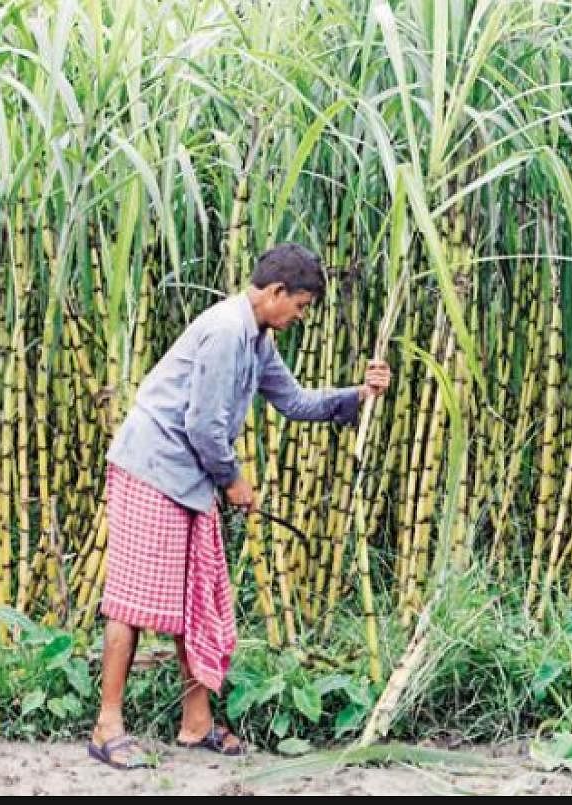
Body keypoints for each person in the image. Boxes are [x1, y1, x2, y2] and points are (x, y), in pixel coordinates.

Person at [86, 242, 392, 769]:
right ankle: (106, 726)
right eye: (299, 306)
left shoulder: (257, 338)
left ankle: (196, 721)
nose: (300, 317)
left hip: (187, 477)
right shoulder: (228, 331)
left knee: (193, 595)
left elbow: (292, 401)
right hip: (150, 468)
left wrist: (359, 395)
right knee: (131, 600)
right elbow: (201, 426)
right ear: (275, 292)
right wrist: (233, 481)